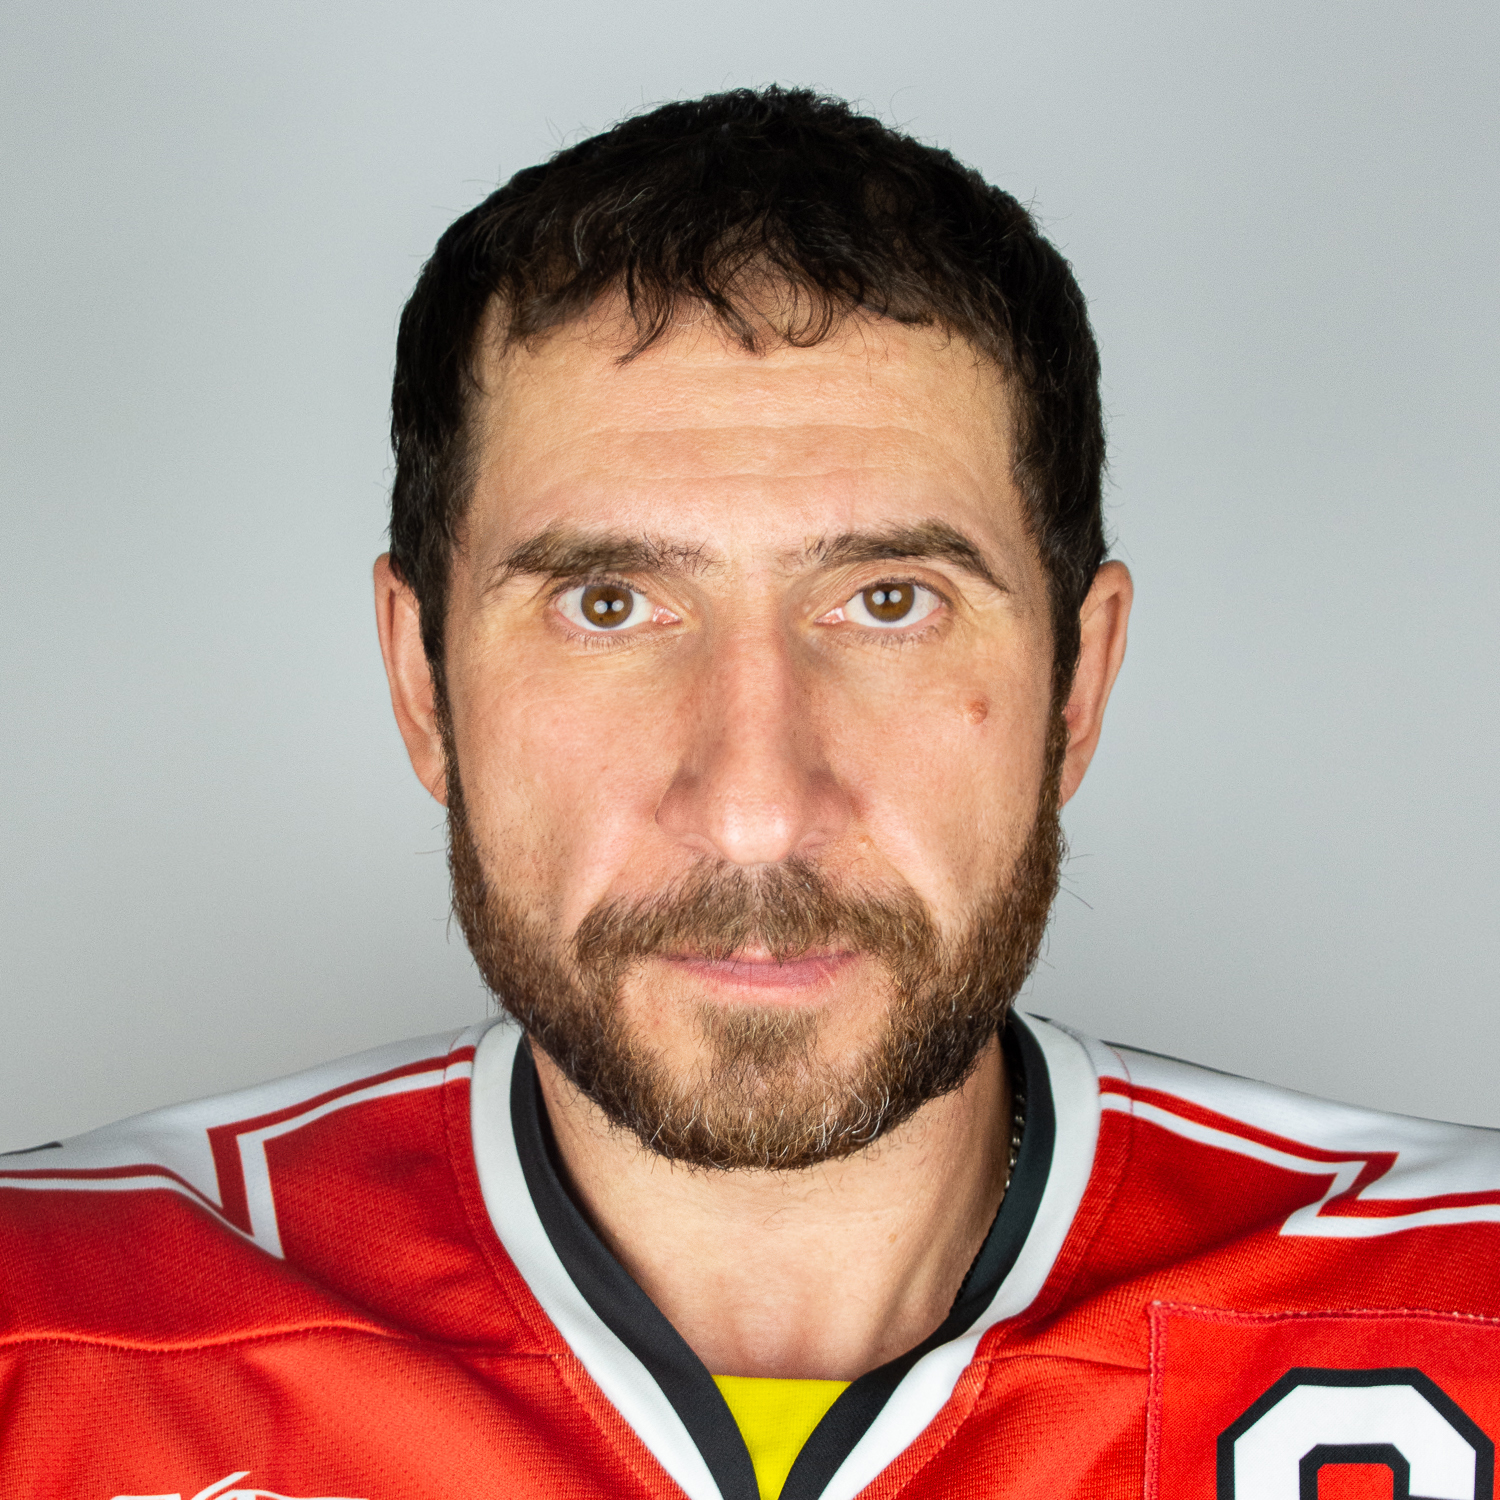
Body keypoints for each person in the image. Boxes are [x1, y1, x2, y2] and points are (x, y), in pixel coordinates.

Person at [3, 85, 1499, 1500]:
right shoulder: (44, 1333)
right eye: (607, 605)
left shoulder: (1466, 1299)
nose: (755, 810)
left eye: (891, 601)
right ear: (422, 682)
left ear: (1078, 683)